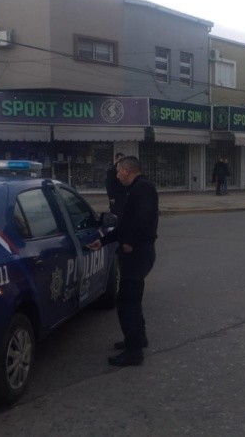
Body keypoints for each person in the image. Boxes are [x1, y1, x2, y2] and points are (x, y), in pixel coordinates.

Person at [88, 156, 158, 367]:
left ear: (128, 171)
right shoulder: (136, 188)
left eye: (119, 171)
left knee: (127, 302)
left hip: (138, 254)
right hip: (137, 253)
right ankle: (138, 338)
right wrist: (103, 241)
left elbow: (142, 221)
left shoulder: (142, 188)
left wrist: (129, 243)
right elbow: (127, 224)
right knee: (133, 300)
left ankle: (134, 352)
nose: (117, 175)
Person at [105, 152, 126, 217]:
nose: (121, 161)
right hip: (115, 196)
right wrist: (111, 197)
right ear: (116, 159)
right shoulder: (111, 170)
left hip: (123, 195)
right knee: (115, 213)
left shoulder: (125, 169)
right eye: (120, 159)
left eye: (123, 159)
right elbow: (108, 184)